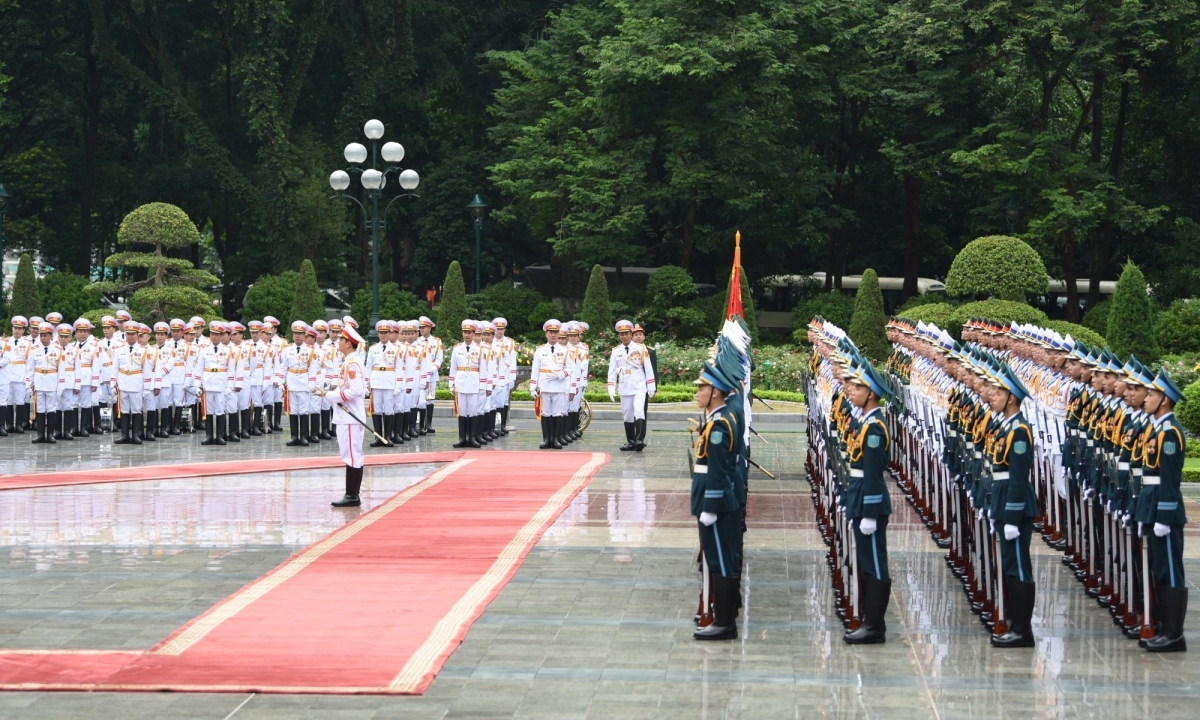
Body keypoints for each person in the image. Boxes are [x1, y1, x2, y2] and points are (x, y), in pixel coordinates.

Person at [690, 325, 748, 640]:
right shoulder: (717, 420)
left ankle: (724, 623)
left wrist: (710, 505)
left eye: (702, 387)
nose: (697, 392)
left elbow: (719, 471)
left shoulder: (719, 426)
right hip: (717, 501)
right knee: (719, 559)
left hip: (718, 504)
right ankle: (723, 619)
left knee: (722, 561)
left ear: (716, 392)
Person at [841, 359, 895, 645]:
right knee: (866, 562)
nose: (851, 391)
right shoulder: (865, 422)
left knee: (875, 564)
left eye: (857, 387)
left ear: (871, 392)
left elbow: (874, 473)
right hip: (860, 500)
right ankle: (868, 619)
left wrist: (870, 512)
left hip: (869, 503)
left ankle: (874, 626)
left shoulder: (874, 428)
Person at [1135, 368, 1188, 652]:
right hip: (1152, 504)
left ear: (1165, 399)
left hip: (1164, 509)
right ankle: (1165, 628)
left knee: (1170, 570)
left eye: (1152, 394)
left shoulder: (1170, 434)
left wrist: (1164, 516)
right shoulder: (1157, 429)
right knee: (1159, 568)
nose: (1146, 398)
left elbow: (1169, 480)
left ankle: (1174, 634)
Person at [986, 362, 1038, 648]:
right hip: (1004, 500)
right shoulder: (1005, 427)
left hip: (1014, 505)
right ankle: (1016, 625)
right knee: (1010, 565)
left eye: (997, 392)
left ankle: (1022, 630)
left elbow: (1018, 477)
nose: (991, 396)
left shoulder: (1019, 431)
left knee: (1018, 566)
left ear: (1012, 398)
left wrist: (1012, 516)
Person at [319, 324, 368, 507]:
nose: (338, 341)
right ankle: (352, 494)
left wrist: (330, 396)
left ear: (348, 343)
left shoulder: (352, 363)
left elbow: (356, 391)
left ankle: (352, 496)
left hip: (350, 417)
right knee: (353, 454)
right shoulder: (349, 361)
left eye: (341, 339)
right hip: (347, 415)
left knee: (352, 455)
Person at [607, 320, 656, 451]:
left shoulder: (640, 348)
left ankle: (639, 440)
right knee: (627, 414)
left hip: (639, 384)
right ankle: (631, 441)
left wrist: (651, 386)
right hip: (624, 385)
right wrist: (611, 387)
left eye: (626, 333)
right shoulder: (616, 351)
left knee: (639, 411)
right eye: (621, 334)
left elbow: (648, 368)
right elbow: (612, 372)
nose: (624, 336)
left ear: (631, 334)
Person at [530, 319, 569, 449]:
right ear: (546, 334)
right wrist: (532, 387)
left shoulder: (565, 350)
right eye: (550, 332)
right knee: (546, 413)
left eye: (555, 332)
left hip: (558, 385)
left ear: (559, 334)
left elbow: (570, 368)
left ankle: (556, 439)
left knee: (557, 413)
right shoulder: (540, 350)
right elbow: (535, 370)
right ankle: (547, 439)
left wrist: (559, 375)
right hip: (544, 385)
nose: (553, 335)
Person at [449, 319, 483, 448]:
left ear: (474, 334)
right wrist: (451, 383)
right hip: (461, 383)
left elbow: (483, 369)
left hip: (474, 383)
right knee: (462, 411)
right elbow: (453, 368)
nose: (467, 335)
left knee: (473, 411)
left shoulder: (479, 350)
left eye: (469, 332)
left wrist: (483, 386)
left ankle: (472, 438)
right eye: (465, 332)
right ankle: (462, 438)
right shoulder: (457, 349)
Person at [112, 321, 146, 445]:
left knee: (136, 409)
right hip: (123, 383)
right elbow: (114, 368)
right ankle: (125, 435)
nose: (130, 336)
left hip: (136, 383)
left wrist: (147, 387)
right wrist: (112, 383)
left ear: (137, 335)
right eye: (128, 334)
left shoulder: (143, 351)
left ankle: (135, 435)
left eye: (133, 334)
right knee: (124, 410)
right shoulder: (119, 350)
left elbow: (146, 371)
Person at [30, 322, 62, 444]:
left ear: (50, 336)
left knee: (51, 409)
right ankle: (40, 434)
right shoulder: (34, 351)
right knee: (40, 408)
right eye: (41, 335)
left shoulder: (58, 351)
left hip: (52, 382)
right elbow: (30, 369)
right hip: (39, 382)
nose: (42, 337)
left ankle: (50, 434)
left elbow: (61, 371)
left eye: (45, 335)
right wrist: (30, 384)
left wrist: (60, 387)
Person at [633, 324, 656, 448]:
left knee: (642, 411)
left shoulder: (650, 350)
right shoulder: (628, 349)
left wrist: (653, 387)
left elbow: (653, 370)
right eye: (635, 335)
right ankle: (632, 437)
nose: (638, 337)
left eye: (640, 335)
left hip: (644, 385)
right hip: (631, 385)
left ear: (644, 336)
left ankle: (640, 436)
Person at [417, 316, 442, 434]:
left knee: (430, 399)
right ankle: (421, 425)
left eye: (424, 327)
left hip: (432, 374)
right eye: (420, 327)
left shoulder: (436, 341)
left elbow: (439, 358)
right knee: (421, 400)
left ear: (430, 328)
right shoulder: (417, 341)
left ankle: (429, 424)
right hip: (421, 374)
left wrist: (431, 369)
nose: (421, 330)